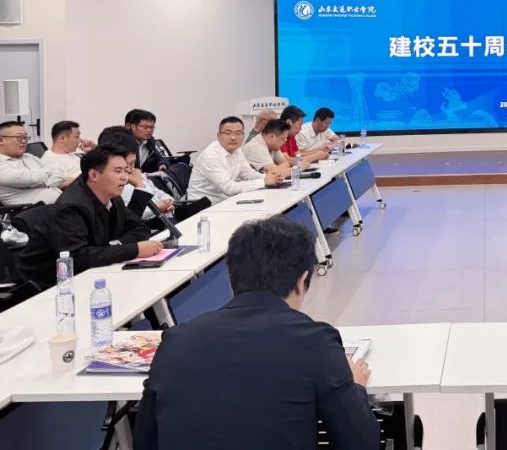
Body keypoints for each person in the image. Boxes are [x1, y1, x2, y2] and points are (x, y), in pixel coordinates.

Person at [135, 216, 380, 450]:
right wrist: (355, 387)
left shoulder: (176, 341)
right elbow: (361, 443)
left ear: (231, 279)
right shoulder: (316, 341)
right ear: (302, 280)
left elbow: (145, 441)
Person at [17, 144, 160, 289]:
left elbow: (140, 228)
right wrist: (133, 250)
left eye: (126, 171)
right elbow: (78, 257)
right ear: (94, 175)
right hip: (49, 285)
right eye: (118, 171)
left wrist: (115, 246)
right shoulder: (71, 207)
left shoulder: (112, 197)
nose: (125, 177)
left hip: (91, 274)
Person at [187, 117, 283, 204]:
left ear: (243, 135)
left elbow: (249, 175)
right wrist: (263, 182)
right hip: (202, 207)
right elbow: (229, 188)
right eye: (228, 133)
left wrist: (270, 178)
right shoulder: (211, 156)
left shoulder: (237, 151)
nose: (233, 138)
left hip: (224, 202)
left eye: (238, 133)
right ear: (218, 135)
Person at [0, 121, 71, 205]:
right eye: (19, 137)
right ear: (1, 140)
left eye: (25, 137)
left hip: (60, 202)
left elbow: (59, 171)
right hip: (32, 211)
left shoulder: (28, 156)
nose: (24, 141)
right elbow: (33, 179)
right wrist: (48, 178)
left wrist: (44, 183)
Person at [243, 119, 307, 175]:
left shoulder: (273, 146)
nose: (284, 142)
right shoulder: (256, 147)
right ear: (272, 136)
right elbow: (276, 173)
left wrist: (277, 170)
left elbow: (286, 163)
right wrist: (298, 168)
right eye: (283, 139)